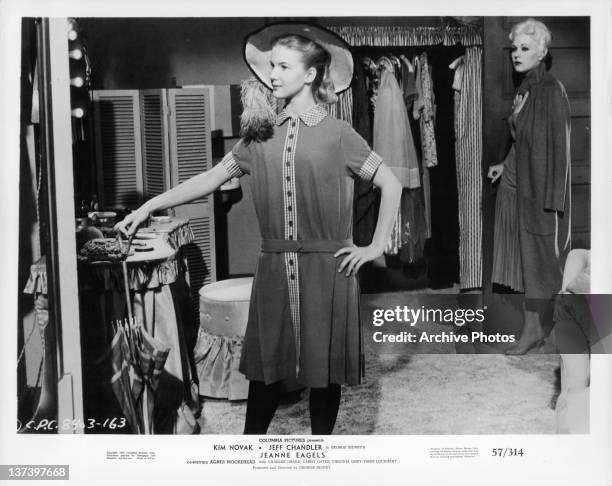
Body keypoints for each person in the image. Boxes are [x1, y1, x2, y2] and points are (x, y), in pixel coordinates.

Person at [115, 23, 402, 434]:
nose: (273, 74)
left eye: (284, 66)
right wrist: (149, 205)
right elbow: (210, 179)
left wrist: (374, 246)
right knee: (266, 371)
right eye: (271, 66)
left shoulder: (340, 134)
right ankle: (250, 454)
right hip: (273, 268)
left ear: (311, 74)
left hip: (329, 268)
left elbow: (390, 182)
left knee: (325, 372)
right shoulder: (258, 136)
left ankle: (322, 456)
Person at [487, 18, 571, 355]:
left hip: (536, 193)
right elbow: (523, 140)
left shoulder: (551, 90)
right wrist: (503, 162)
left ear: (542, 52)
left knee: (540, 263)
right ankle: (533, 327)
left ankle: (539, 329)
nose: (517, 55)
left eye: (525, 49)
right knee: (523, 262)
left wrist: (553, 202)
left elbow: (559, 150)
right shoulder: (526, 89)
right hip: (514, 184)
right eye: (515, 49)